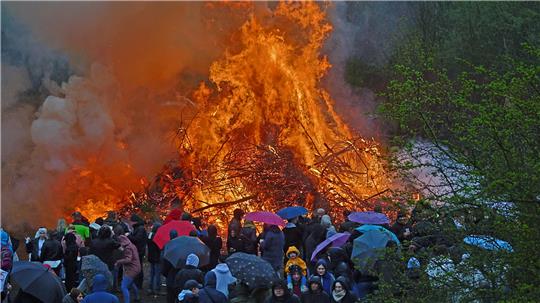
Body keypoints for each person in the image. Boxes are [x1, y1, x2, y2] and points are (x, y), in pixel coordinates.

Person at [115, 234, 141, 303]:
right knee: (131, 283)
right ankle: (137, 297)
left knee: (123, 286)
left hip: (132, 269)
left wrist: (118, 262)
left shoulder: (127, 248)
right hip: (137, 267)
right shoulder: (131, 245)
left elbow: (128, 259)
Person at [128, 214, 147, 289]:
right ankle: (136, 284)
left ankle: (138, 285)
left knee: (138, 268)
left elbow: (137, 239)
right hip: (137, 251)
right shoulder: (137, 228)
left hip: (139, 251)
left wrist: (128, 236)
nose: (130, 223)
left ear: (134, 222)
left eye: (131, 221)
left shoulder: (140, 229)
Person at [162, 230, 180, 303]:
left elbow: (165, 263)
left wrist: (165, 273)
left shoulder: (167, 246)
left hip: (170, 275)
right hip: (178, 275)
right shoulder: (181, 246)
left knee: (170, 297)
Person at [147, 222, 162, 295]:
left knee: (151, 273)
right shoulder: (157, 236)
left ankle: (150, 288)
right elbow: (159, 247)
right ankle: (157, 289)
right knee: (157, 274)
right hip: (157, 257)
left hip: (151, 256)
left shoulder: (150, 235)